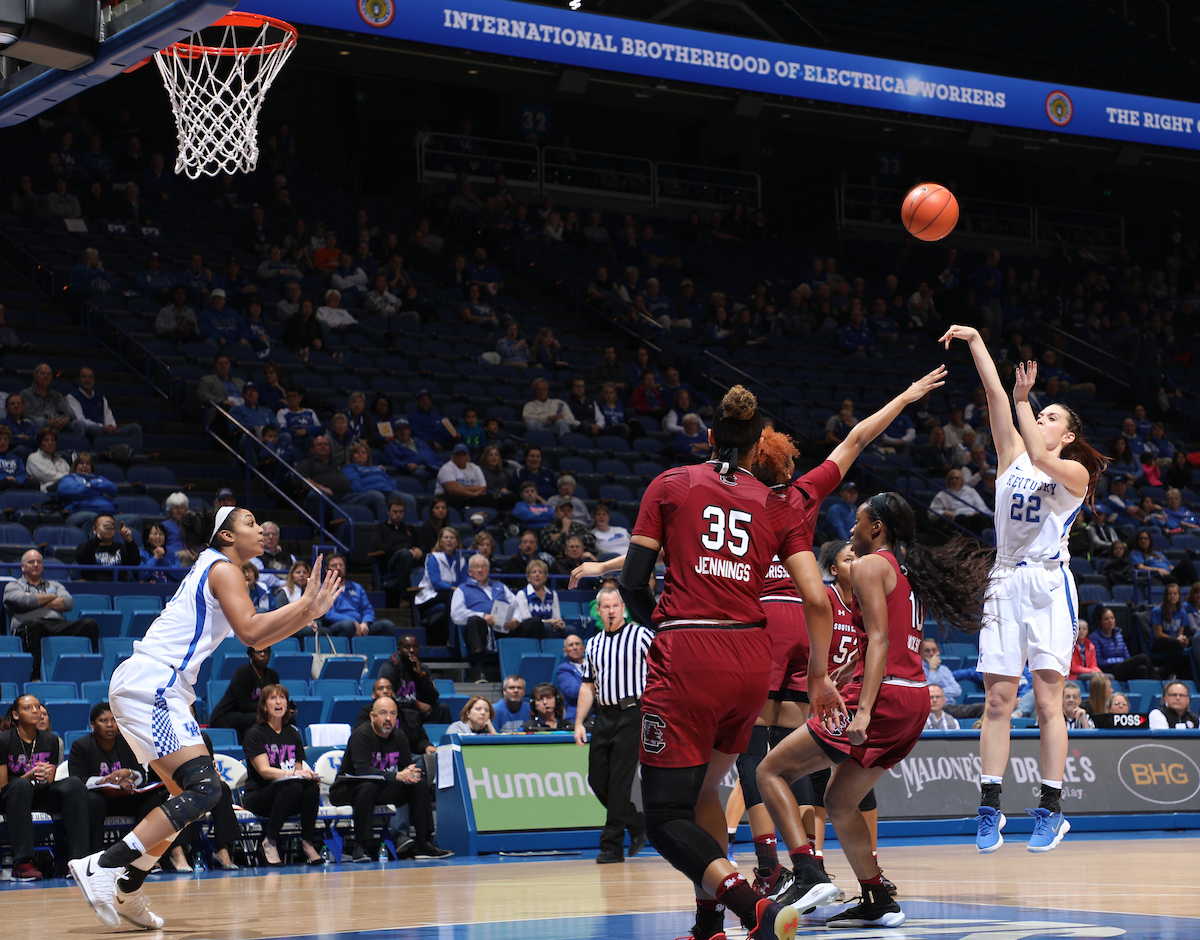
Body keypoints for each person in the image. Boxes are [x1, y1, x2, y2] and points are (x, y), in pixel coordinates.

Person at [614, 385, 836, 940]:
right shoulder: (776, 502)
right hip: (750, 662)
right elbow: (815, 597)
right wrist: (819, 674)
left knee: (665, 817)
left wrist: (661, 626)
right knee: (708, 792)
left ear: (709, 437)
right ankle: (708, 922)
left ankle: (751, 907)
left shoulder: (674, 483)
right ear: (756, 443)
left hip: (691, 653)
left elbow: (632, 581)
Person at [68, 506, 342, 931]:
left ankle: (129, 887)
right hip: (154, 683)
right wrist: (305, 605)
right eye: (250, 521)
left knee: (189, 797)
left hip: (160, 687)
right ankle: (103, 866)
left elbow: (258, 634)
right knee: (204, 788)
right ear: (227, 536)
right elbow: (252, 632)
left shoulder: (216, 569)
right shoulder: (223, 568)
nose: (259, 528)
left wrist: (308, 613)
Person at [758, 492, 991, 928]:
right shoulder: (905, 572)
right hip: (913, 698)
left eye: (858, 522)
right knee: (840, 801)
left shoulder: (869, 565)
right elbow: (888, 638)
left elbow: (882, 639)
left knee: (769, 772)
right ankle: (877, 897)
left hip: (882, 700)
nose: (851, 530)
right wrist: (849, 669)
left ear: (877, 527)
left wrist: (863, 710)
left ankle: (807, 872)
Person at [942, 324, 1107, 856]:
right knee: (997, 699)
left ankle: (1051, 809)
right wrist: (975, 342)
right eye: (1040, 413)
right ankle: (990, 805)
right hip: (1005, 579)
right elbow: (994, 393)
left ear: (1067, 435)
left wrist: (1023, 399)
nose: (1041, 418)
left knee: (1046, 699)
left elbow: (1039, 455)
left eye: (1050, 416)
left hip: (1046, 583)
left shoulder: (1073, 470)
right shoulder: (1014, 454)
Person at [571, 584, 652, 862]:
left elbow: (663, 669)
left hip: (633, 712)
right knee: (596, 778)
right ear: (599, 610)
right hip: (603, 715)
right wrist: (579, 722)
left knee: (619, 781)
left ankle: (611, 845)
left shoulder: (641, 636)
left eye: (615, 606)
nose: (610, 611)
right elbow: (586, 686)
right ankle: (636, 822)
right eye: (605, 607)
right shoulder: (593, 643)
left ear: (623, 608)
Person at [329, 696, 450, 861]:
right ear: (372, 716)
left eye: (393, 714)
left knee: (419, 785)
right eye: (383, 713)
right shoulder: (361, 734)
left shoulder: (399, 737)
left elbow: (407, 767)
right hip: (347, 788)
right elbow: (362, 770)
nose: (388, 718)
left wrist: (411, 774)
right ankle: (361, 846)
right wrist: (397, 775)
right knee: (367, 787)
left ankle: (423, 843)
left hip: (379, 788)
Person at [69, 702, 186, 870]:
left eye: (113, 720)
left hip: (125, 797)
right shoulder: (81, 746)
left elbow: (141, 774)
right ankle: (96, 858)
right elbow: (78, 780)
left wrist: (129, 774)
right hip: (100, 800)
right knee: (93, 801)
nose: (110, 725)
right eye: (103, 721)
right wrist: (105, 781)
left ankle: (144, 858)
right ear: (93, 725)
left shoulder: (127, 742)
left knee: (153, 798)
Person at [1, 694, 93, 881]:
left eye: (37, 707)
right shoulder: (4, 741)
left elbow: (48, 781)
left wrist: (43, 778)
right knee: (20, 785)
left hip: (38, 794)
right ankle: (23, 863)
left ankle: (78, 861)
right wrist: (27, 776)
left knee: (74, 784)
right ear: (15, 715)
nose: (35, 711)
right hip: (11, 797)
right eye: (28, 708)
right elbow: (2, 785)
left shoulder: (51, 740)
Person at [241, 684, 323, 865]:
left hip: (287, 795)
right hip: (259, 795)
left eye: (282, 697)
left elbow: (299, 770)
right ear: (264, 706)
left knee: (310, 787)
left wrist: (308, 775)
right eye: (272, 698)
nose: (278, 701)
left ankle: (308, 842)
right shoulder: (255, 733)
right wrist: (292, 773)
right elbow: (264, 771)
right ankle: (269, 841)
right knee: (293, 785)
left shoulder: (292, 733)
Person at [4, 549, 100, 680]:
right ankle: (34, 676)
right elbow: (23, 601)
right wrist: (52, 597)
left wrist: (35, 601)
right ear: (22, 566)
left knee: (90, 624)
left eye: (39, 562)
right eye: (31, 562)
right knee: (35, 624)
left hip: (55, 625)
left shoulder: (55, 584)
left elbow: (68, 602)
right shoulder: (13, 586)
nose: (36, 565)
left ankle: (86, 672)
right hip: (28, 627)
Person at [452, 554, 518, 682]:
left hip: (504, 627)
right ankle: (480, 671)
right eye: (476, 567)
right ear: (469, 571)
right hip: (479, 629)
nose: (480, 570)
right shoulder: (462, 590)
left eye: (483, 567)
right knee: (475, 621)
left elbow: (517, 605)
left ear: (488, 570)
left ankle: (517, 670)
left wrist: (516, 620)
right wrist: (482, 616)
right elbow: (456, 614)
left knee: (533, 623)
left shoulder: (500, 586)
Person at [378, 634, 452, 728]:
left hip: (418, 711)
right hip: (400, 710)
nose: (412, 650)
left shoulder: (422, 668)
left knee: (442, 709)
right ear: (399, 650)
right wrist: (416, 704)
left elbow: (433, 698)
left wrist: (421, 676)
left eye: (415, 647)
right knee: (409, 715)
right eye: (407, 647)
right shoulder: (389, 668)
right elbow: (387, 696)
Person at [209, 646, 280, 742]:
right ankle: (253, 751)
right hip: (226, 715)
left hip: (255, 712)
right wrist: (268, 708)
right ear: (251, 655)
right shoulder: (243, 672)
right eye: (259, 651)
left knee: (284, 718)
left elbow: (275, 699)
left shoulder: (273, 676)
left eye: (266, 651)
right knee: (257, 719)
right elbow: (244, 705)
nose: (263, 654)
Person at [318, 553, 397, 638]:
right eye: (334, 565)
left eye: (341, 565)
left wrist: (365, 623)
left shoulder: (357, 587)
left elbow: (367, 609)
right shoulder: (324, 589)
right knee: (348, 626)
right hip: (338, 625)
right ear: (327, 569)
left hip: (360, 625)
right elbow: (329, 614)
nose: (338, 568)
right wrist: (352, 621)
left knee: (388, 625)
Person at [66, 366, 143, 451]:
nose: (88, 379)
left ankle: (134, 454)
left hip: (105, 430)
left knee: (135, 428)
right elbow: (80, 419)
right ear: (78, 380)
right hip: (92, 429)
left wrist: (112, 427)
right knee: (95, 429)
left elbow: (108, 416)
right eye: (84, 377)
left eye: (90, 377)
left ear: (94, 380)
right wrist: (102, 427)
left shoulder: (101, 398)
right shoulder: (72, 397)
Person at [414, 526, 465, 646]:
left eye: (452, 538)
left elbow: (465, 581)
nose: (449, 540)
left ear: (457, 542)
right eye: (446, 537)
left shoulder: (461, 560)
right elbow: (436, 583)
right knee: (452, 596)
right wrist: (454, 589)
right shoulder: (433, 557)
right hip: (430, 595)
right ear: (440, 541)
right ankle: (451, 636)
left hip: (452, 594)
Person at [370, 498, 424, 604]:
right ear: (388, 511)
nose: (398, 515)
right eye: (395, 511)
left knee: (429, 556)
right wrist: (402, 550)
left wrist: (419, 550)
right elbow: (377, 545)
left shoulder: (410, 528)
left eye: (401, 512)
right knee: (404, 554)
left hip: (411, 558)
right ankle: (404, 596)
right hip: (390, 560)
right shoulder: (380, 528)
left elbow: (421, 544)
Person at [1089, 605, 1153, 681]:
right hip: (1107, 670)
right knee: (1142, 657)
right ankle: (1157, 680)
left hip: (1121, 667)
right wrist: (1120, 660)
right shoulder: (1095, 637)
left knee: (1142, 669)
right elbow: (1099, 661)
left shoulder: (1118, 635)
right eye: (1106, 619)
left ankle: (1144, 690)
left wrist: (1123, 661)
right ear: (1100, 622)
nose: (1110, 621)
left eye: (1112, 618)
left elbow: (1127, 657)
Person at [509, 559, 566, 639]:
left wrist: (558, 623)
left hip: (551, 627)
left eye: (540, 572)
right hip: (531, 630)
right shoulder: (522, 594)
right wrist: (548, 622)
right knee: (544, 626)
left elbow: (556, 617)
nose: (537, 574)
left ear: (545, 577)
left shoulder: (553, 594)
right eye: (534, 572)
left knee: (570, 630)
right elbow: (527, 620)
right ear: (528, 577)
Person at [928, 468, 991, 536]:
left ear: (961, 480)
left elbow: (981, 506)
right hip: (955, 518)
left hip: (972, 516)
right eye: (951, 478)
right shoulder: (943, 494)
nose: (954, 480)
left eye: (957, 478)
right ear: (948, 480)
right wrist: (944, 513)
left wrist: (978, 512)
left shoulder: (970, 491)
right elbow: (932, 513)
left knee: (980, 519)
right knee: (961, 519)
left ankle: (978, 544)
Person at [77, 514, 141, 581]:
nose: (107, 529)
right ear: (94, 530)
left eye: (111, 526)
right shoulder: (88, 547)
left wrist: (129, 541)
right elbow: (80, 558)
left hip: (118, 587)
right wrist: (98, 538)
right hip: (94, 587)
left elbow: (135, 563)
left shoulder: (122, 547)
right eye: (104, 526)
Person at [1150, 581, 1194, 678]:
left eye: (1175, 594)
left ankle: (1190, 674)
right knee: (1173, 642)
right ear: (1166, 596)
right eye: (1170, 594)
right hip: (1158, 643)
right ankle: (1171, 674)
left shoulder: (1182, 611)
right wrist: (1177, 639)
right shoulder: (1157, 610)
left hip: (1174, 641)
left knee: (1192, 640)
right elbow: (1158, 634)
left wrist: (1183, 640)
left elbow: (1180, 633)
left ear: (1179, 596)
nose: (1172, 596)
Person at [920, 639, 962, 705]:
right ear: (921, 653)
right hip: (930, 709)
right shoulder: (918, 669)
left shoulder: (944, 669)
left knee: (978, 708)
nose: (931, 654)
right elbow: (927, 693)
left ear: (938, 651)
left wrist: (939, 692)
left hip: (950, 707)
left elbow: (957, 691)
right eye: (927, 651)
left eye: (934, 650)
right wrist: (932, 668)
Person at [556, 633, 586, 721]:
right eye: (571, 645)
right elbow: (574, 691)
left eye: (577, 644)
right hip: (577, 715)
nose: (574, 647)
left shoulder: (594, 665)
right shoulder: (563, 669)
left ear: (583, 648)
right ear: (565, 651)